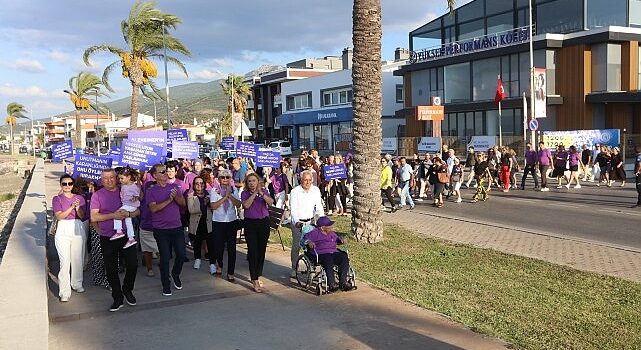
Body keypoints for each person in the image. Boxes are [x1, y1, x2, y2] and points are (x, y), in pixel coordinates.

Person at [90, 168, 139, 312]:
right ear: (101, 179)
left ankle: (127, 289)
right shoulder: (97, 195)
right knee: (111, 269)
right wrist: (113, 216)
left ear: (116, 178)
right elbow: (94, 217)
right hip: (108, 237)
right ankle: (117, 297)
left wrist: (130, 213)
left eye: (111, 177)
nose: (109, 180)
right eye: (105, 178)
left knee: (133, 264)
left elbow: (138, 210)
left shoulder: (124, 190)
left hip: (125, 236)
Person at [147, 164, 187, 296]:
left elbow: (183, 204)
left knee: (181, 254)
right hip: (161, 230)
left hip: (176, 227)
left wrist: (176, 198)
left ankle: (175, 274)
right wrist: (169, 200)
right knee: (165, 258)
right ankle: (166, 283)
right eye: (162, 172)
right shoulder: (151, 191)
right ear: (155, 175)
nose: (165, 173)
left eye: (166, 171)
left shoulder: (174, 187)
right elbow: (154, 209)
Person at [52, 174, 87, 302]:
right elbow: (59, 216)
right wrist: (71, 208)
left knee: (77, 258)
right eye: (64, 184)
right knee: (64, 261)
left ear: (73, 185)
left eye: (69, 184)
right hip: (63, 228)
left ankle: (77, 283)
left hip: (77, 226)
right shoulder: (57, 199)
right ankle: (64, 291)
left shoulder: (80, 198)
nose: (67, 186)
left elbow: (82, 216)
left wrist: (77, 208)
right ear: (61, 185)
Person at [301, 216, 354, 292]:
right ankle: (332, 284)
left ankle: (343, 282)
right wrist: (309, 242)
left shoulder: (332, 233)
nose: (331, 227)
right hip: (321, 253)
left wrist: (342, 240)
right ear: (322, 228)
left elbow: (337, 240)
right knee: (328, 259)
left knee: (344, 256)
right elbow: (304, 239)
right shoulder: (314, 233)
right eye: (329, 226)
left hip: (333, 252)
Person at [241, 172, 274, 292]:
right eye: (249, 181)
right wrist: (254, 193)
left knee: (261, 251)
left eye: (254, 181)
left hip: (263, 223)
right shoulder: (245, 193)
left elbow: (270, 202)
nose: (251, 183)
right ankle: (254, 279)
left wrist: (261, 193)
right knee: (253, 251)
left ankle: (258, 274)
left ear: (258, 182)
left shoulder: (264, 192)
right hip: (250, 224)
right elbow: (246, 205)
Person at [289, 170, 325, 277]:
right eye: (305, 180)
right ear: (301, 180)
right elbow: (293, 209)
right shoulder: (295, 191)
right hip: (298, 222)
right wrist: (297, 222)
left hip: (310, 221)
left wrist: (322, 220)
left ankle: (312, 268)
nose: (308, 182)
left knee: (312, 245)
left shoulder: (315, 190)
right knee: (297, 246)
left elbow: (319, 207)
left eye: (310, 180)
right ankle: (294, 268)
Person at [210, 169, 242, 281]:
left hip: (231, 221)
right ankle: (220, 264)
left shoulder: (234, 190)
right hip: (218, 221)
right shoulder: (215, 190)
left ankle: (230, 272)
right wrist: (224, 197)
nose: (225, 180)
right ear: (219, 179)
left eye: (227, 177)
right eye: (222, 177)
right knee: (218, 247)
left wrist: (230, 196)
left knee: (232, 248)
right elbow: (213, 206)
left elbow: (238, 205)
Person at [187, 176, 214, 273]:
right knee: (197, 242)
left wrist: (209, 203)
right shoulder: (191, 196)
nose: (199, 185)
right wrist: (204, 204)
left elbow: (214, 207)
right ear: (194, 185)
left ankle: (212, 264)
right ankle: (197, 259)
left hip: (208, 221)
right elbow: (191, 210)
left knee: (210, 243)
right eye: (197, 183)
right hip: (196, 222)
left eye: (201, 183)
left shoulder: (209, 194)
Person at [111, 167, 139, 248]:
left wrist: (135, 198)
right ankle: (131, 238)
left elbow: (137, 195)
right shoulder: (124, 185)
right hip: (127, 205)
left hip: (131, 205)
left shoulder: (133, 186)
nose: (120, 180)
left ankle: (119, 231)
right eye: (119, 178)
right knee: (128, 221)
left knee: (117, 214)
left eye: (122, 178)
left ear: (129, 177)